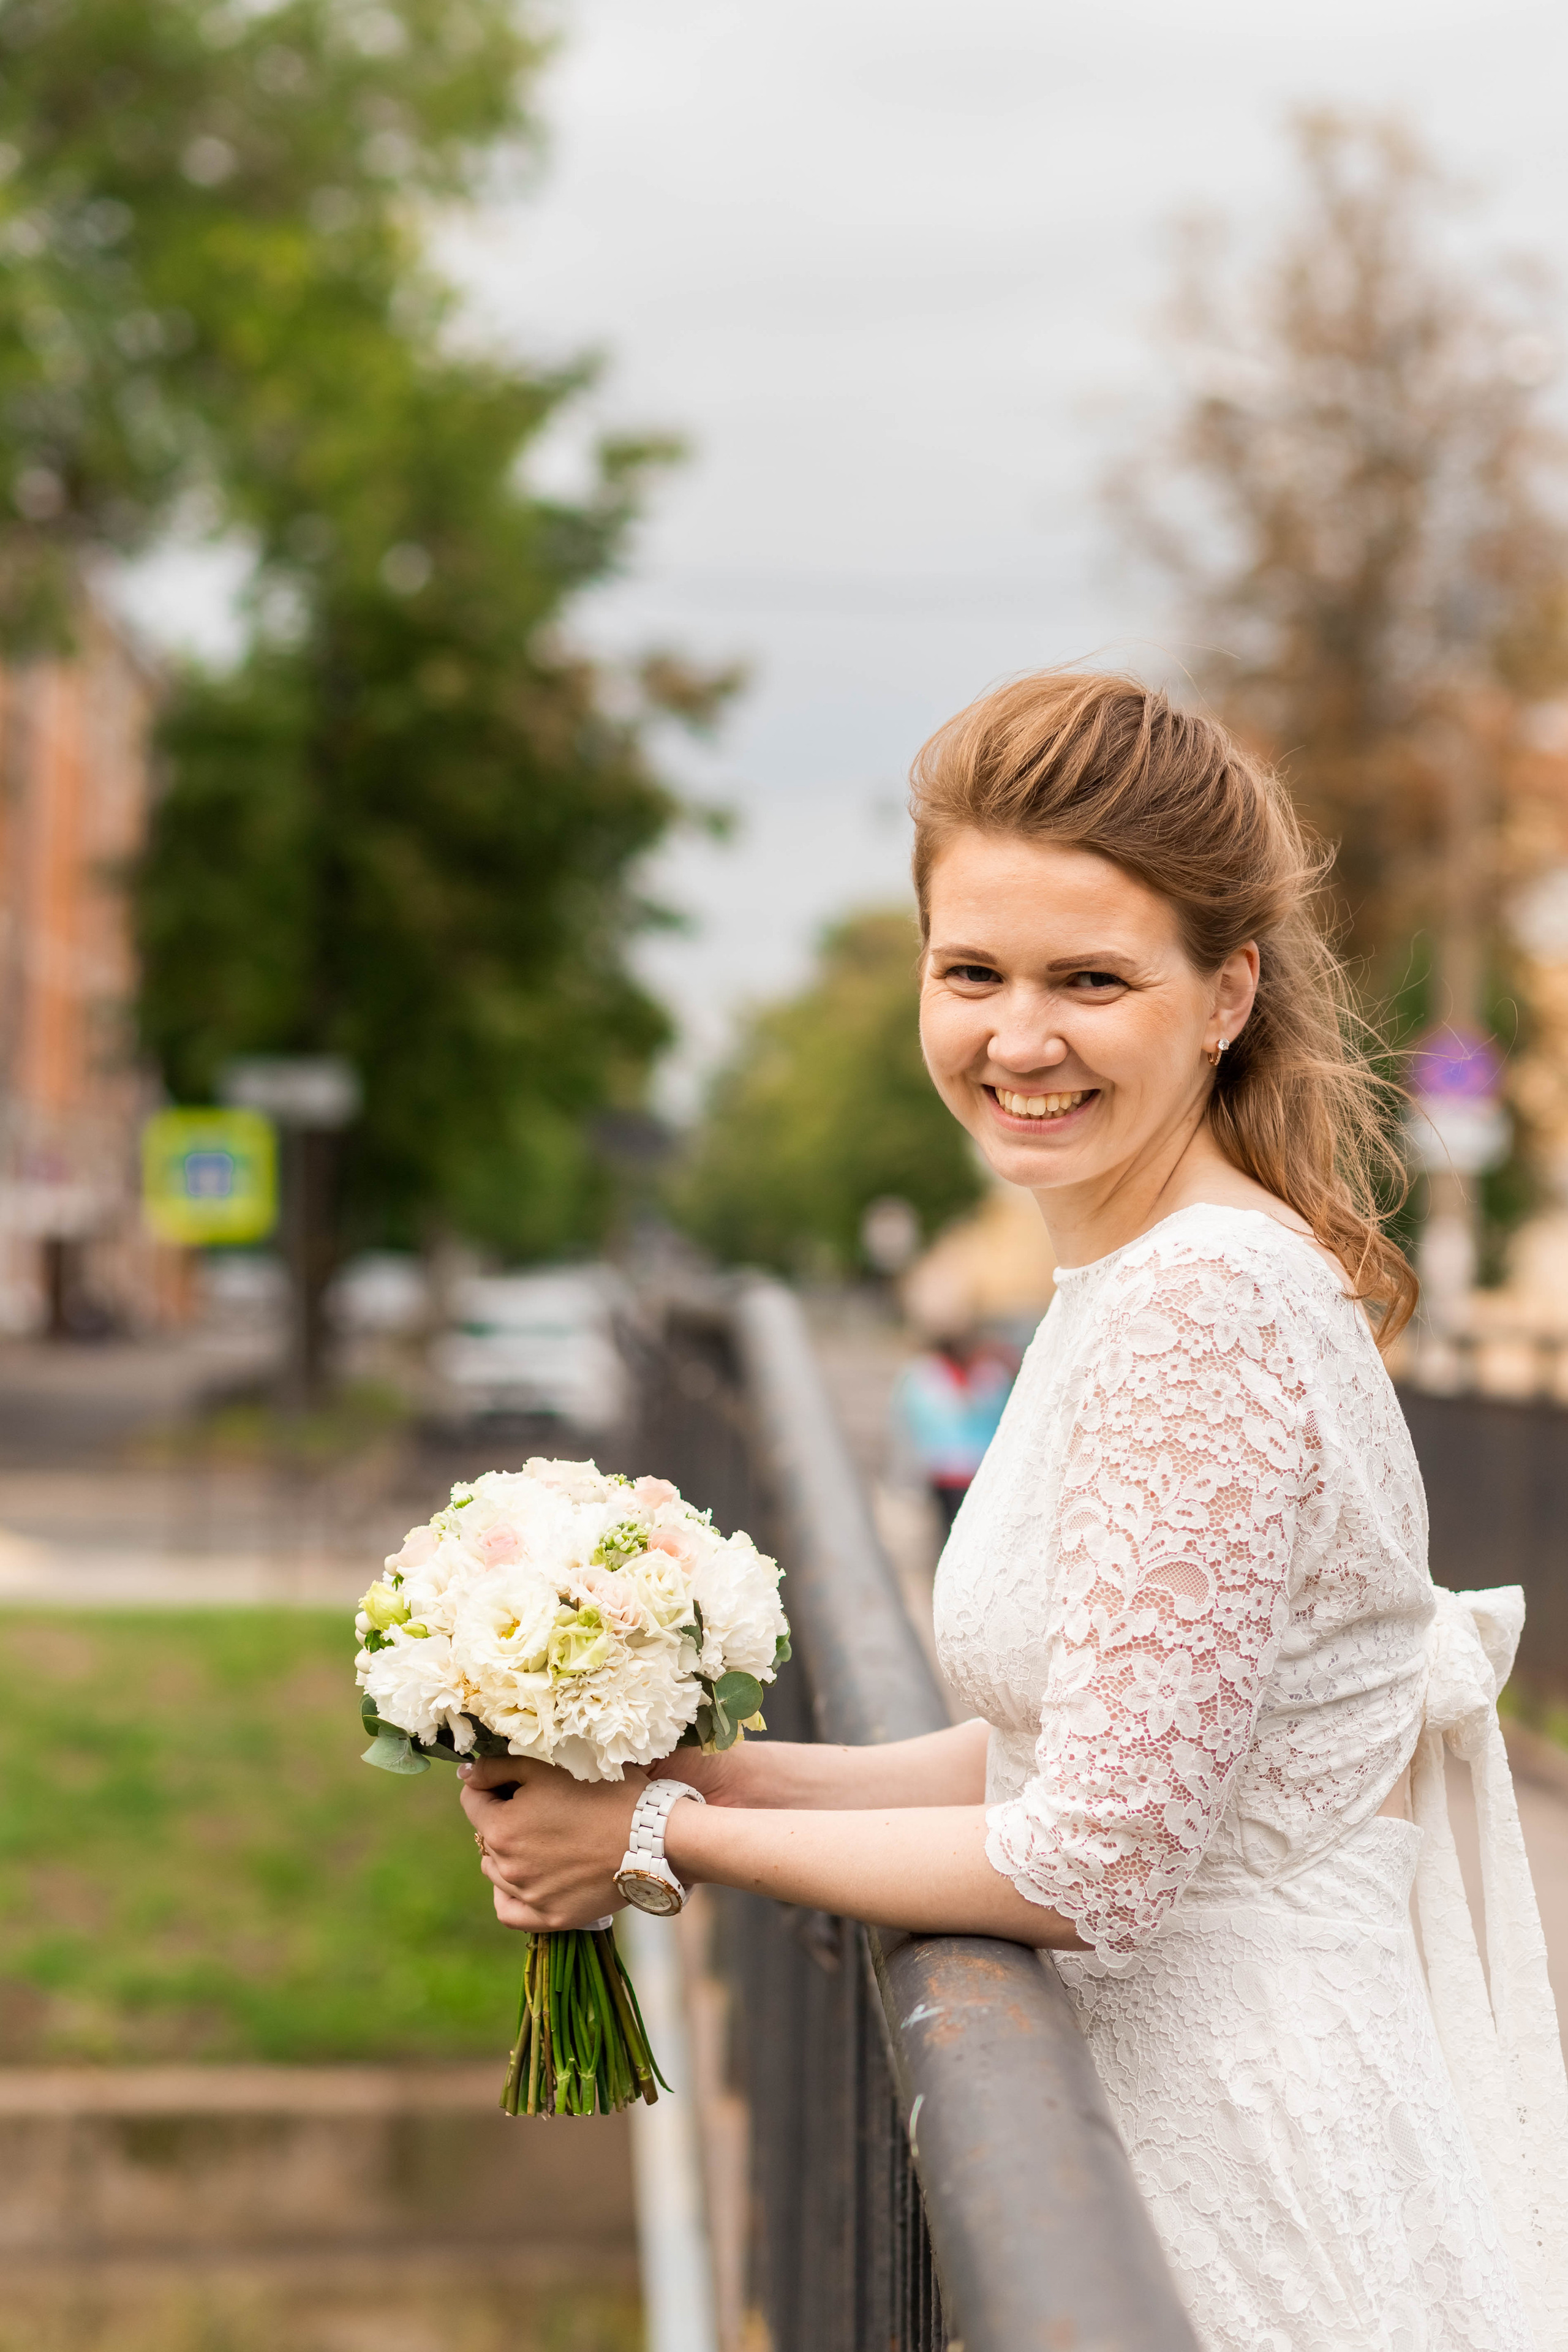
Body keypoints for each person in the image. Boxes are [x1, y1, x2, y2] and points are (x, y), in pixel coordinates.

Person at [460, 673, 1568, 2351]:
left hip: (1232, 2183)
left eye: (1091, 980)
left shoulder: (1202, 1308)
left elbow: (1100, 1853)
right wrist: (716, 1772)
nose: (1017, 1036)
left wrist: (650, 1842)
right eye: (971, 969)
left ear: (1224, 997)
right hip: (1185, 2124)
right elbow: (1088, 1739)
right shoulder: (1134, 1276)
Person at [890, 1326, 1015, 1530]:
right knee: (951, 1526)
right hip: (944, 1466)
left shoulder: (990, 1372)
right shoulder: (925, 1375)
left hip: (980, 1465)